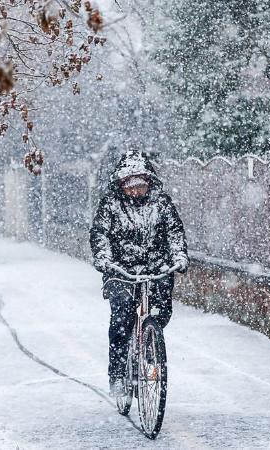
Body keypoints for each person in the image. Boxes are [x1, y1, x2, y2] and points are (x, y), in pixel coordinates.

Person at [89, 150, 188, 396]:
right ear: (121, 184)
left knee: (161, 309)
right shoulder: (111, 204)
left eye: (140, 185)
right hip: (121, 269)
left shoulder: (161, 203)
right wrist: (103, 257)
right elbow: (100, 233)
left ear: (148, 182)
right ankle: (118, 372)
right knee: (122, 317)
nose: (135, 191)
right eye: (130, 186)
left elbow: (174, 232)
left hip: (156, 266)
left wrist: (178, 256)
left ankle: (151, 343)